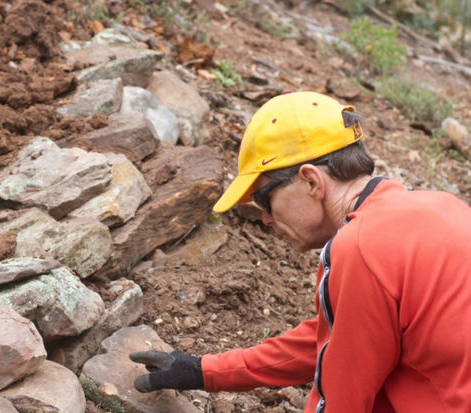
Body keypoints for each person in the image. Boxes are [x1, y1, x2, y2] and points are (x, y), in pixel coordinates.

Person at [129, 91, 471, 412]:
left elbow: (342, 398)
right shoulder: (443, 209)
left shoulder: (360, 248)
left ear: (310, 181)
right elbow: (340, 340)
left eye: (264, 199)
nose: (265, 218)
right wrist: (204, 371)